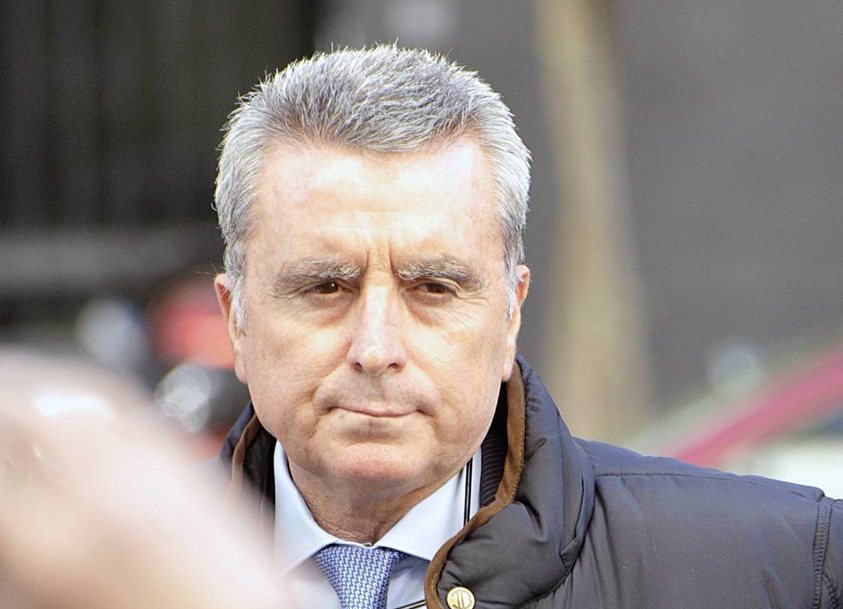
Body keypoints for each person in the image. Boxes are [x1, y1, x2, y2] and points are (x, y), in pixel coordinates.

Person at [212, 44, 842, 609]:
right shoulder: (144, 574)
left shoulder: (785, 570)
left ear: (510, 313)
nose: (376, 349)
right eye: (326, 287)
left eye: (434, 288)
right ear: (235, 317)